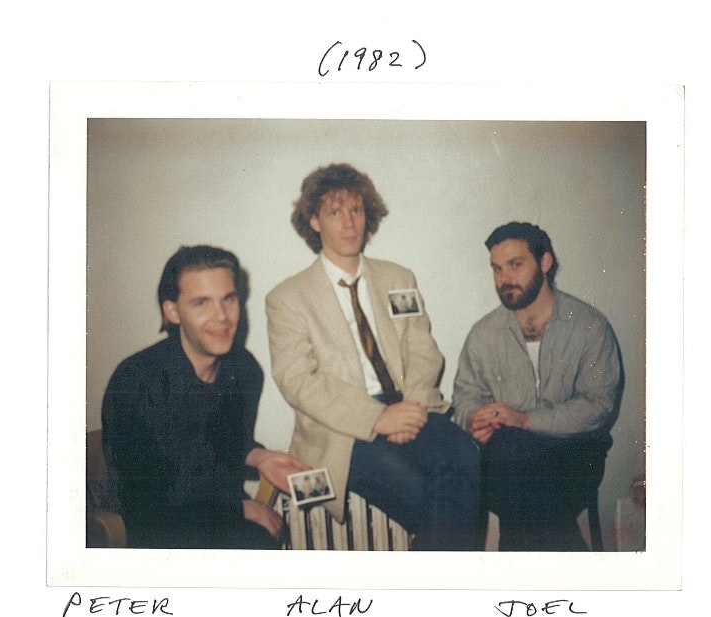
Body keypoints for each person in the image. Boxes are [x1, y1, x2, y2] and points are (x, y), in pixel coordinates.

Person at [266, 163, 481, 551]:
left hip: (413, 406)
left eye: (357, 210)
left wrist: (410, 409)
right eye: (335, 212)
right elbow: (299, 381)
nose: (350, 223)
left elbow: (421, 348)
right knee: (435, 499)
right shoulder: (288, 298)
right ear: (314, 221)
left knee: (464, 454)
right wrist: (378, 418)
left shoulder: (399, 279)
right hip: (346, 428)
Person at [101, 245, 310, 549]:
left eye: (229, 299)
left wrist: (258, 457)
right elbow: (147, 505)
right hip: (158, 533)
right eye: (202, 303)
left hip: (215, 511)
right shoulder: (136, 382)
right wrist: (235, 509)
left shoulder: (244, 369)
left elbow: (219, 447)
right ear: (172, 311)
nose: (222, 317)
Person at [452, 222, 624, 551]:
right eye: (497, 268)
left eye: (515, 265)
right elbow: (465, 398)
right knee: (511, 461)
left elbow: (599, 406)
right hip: (509, 461)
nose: (504, 279)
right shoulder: (483, 334)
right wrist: (474, 420)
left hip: (575, 456)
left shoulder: (588, 327)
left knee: (520, 484)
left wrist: (526, 419)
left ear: (544, 262)